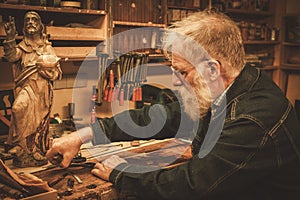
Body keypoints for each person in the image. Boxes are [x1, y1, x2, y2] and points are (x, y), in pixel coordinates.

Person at [46, 10, 300, 200]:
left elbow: (192, 185)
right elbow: (163, 116)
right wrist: (84, 135)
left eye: (182, 72)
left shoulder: (254, 118)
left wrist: (119, 173)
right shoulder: (230, 89)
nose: (177, 81)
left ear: (212, 69)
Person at [4, 11, 62, 167]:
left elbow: (57, 72)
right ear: (24, 26)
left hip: (42, 91)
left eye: (34, 19)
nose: (30, 22)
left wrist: (49, 71)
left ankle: (33, 150)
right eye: (27, 20)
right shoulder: (22, 48)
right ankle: (18, 145)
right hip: (28, 87)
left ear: (40, 25)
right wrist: (9, 38)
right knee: (18, 108)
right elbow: (10, 56)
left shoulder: (47, 48)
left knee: (39, 124)